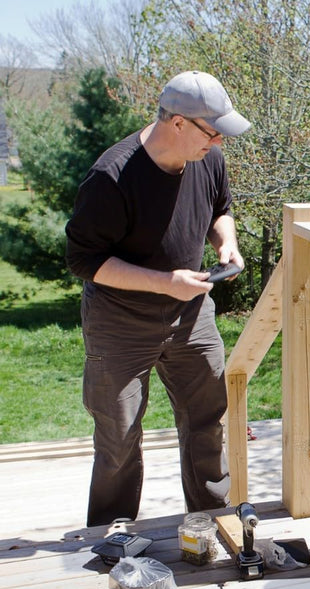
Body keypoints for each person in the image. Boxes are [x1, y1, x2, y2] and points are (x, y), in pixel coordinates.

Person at [66, 70, 251, 527]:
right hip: (120, 323)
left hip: (191, 315)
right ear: (179, 124)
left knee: (208, 423)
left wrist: (226, 244)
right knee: (119, 438)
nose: (219, 143)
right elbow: (84, 260)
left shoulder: (206, 159)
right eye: (213, 132)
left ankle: (210, 523)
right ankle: (111, 538)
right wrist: (165, 282)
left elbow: (220, 209)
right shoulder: (111, 176)